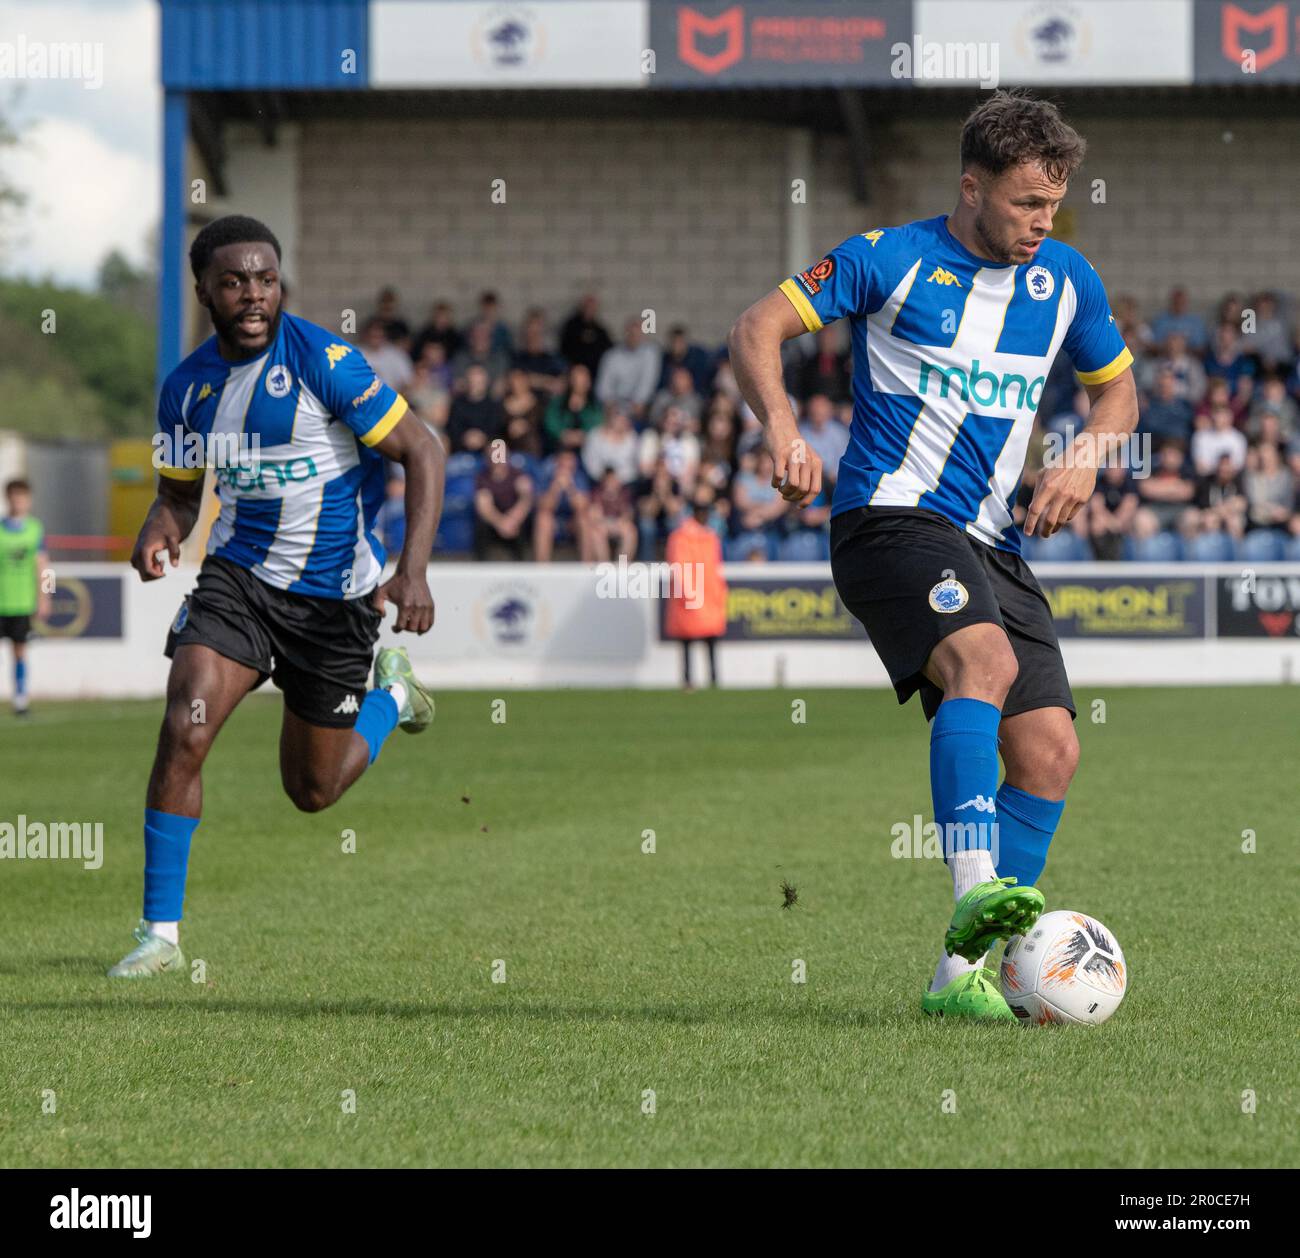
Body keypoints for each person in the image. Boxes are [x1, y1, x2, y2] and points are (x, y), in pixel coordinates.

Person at [728, 90, 1138, 1023]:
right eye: (1028, 202)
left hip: (993, 538)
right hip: (888, 517)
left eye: (1055, 201)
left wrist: (1083, 455)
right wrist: (783, 428)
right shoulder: (890, 260)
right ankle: (970, 898)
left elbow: (1119, 398)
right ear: (971, 186)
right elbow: (758, 328)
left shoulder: (1067, 279)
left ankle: (963, 980)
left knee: (1050, 751)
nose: (1045, 221)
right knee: (982, 666)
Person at [110, 215, 445, 978]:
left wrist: (413, 571)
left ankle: (389, 696)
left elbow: (423, 449)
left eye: (265, 278)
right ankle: (159, 934)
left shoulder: (328, 361)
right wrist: (159, 529)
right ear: (204, 292)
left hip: (336, 602)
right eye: (234, 282)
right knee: (184, 725)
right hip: (239, 584)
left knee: (313, 791)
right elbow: (179, 496)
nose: (254, 295)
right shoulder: (185, 390)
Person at [664, 485, 728, 690]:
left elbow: (715, 567)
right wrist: (689, 593)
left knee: (708, 640)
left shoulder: (709, 536)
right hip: (693, 596)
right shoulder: (682, 537)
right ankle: (688, 680)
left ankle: (712, 679)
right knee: (688, 641)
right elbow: (680, 567)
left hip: (707, 595)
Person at [0, 478, 50, 716]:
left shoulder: (35, 529)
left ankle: (20, 699)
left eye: (22, 497)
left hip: (21, 601)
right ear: (7, 498)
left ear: (28, 501)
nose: (18, 502)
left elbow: (44, 565)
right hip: (1, 600)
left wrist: (46, 596)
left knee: (20, 651)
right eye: (14, 497)